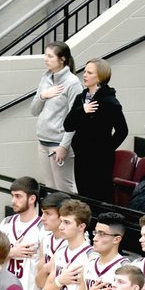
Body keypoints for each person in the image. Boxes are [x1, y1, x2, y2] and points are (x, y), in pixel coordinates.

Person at [63, 58, 128, 204]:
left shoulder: (110, 102)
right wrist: (82, 110)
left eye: (89, 72)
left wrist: (105, 149)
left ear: (99, 77)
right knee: (84, 195)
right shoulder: (81, 98)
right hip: (81, 156)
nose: (84, 75)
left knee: (99, 196)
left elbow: (122, 131)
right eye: (85, 71)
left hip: (100, 160)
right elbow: (68, 125)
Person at [30, 41, 82, 193]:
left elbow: (75, 118)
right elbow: (33, 110)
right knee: (50, 189)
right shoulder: (46, 78)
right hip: (43, 141)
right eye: (45, 55)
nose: (46, 59)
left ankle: (69, 217)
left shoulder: (73, 83)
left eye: (50, 56)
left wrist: (64, 146)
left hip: (58, 143)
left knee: (64, 190)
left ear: (62, 59)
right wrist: (43, 96)